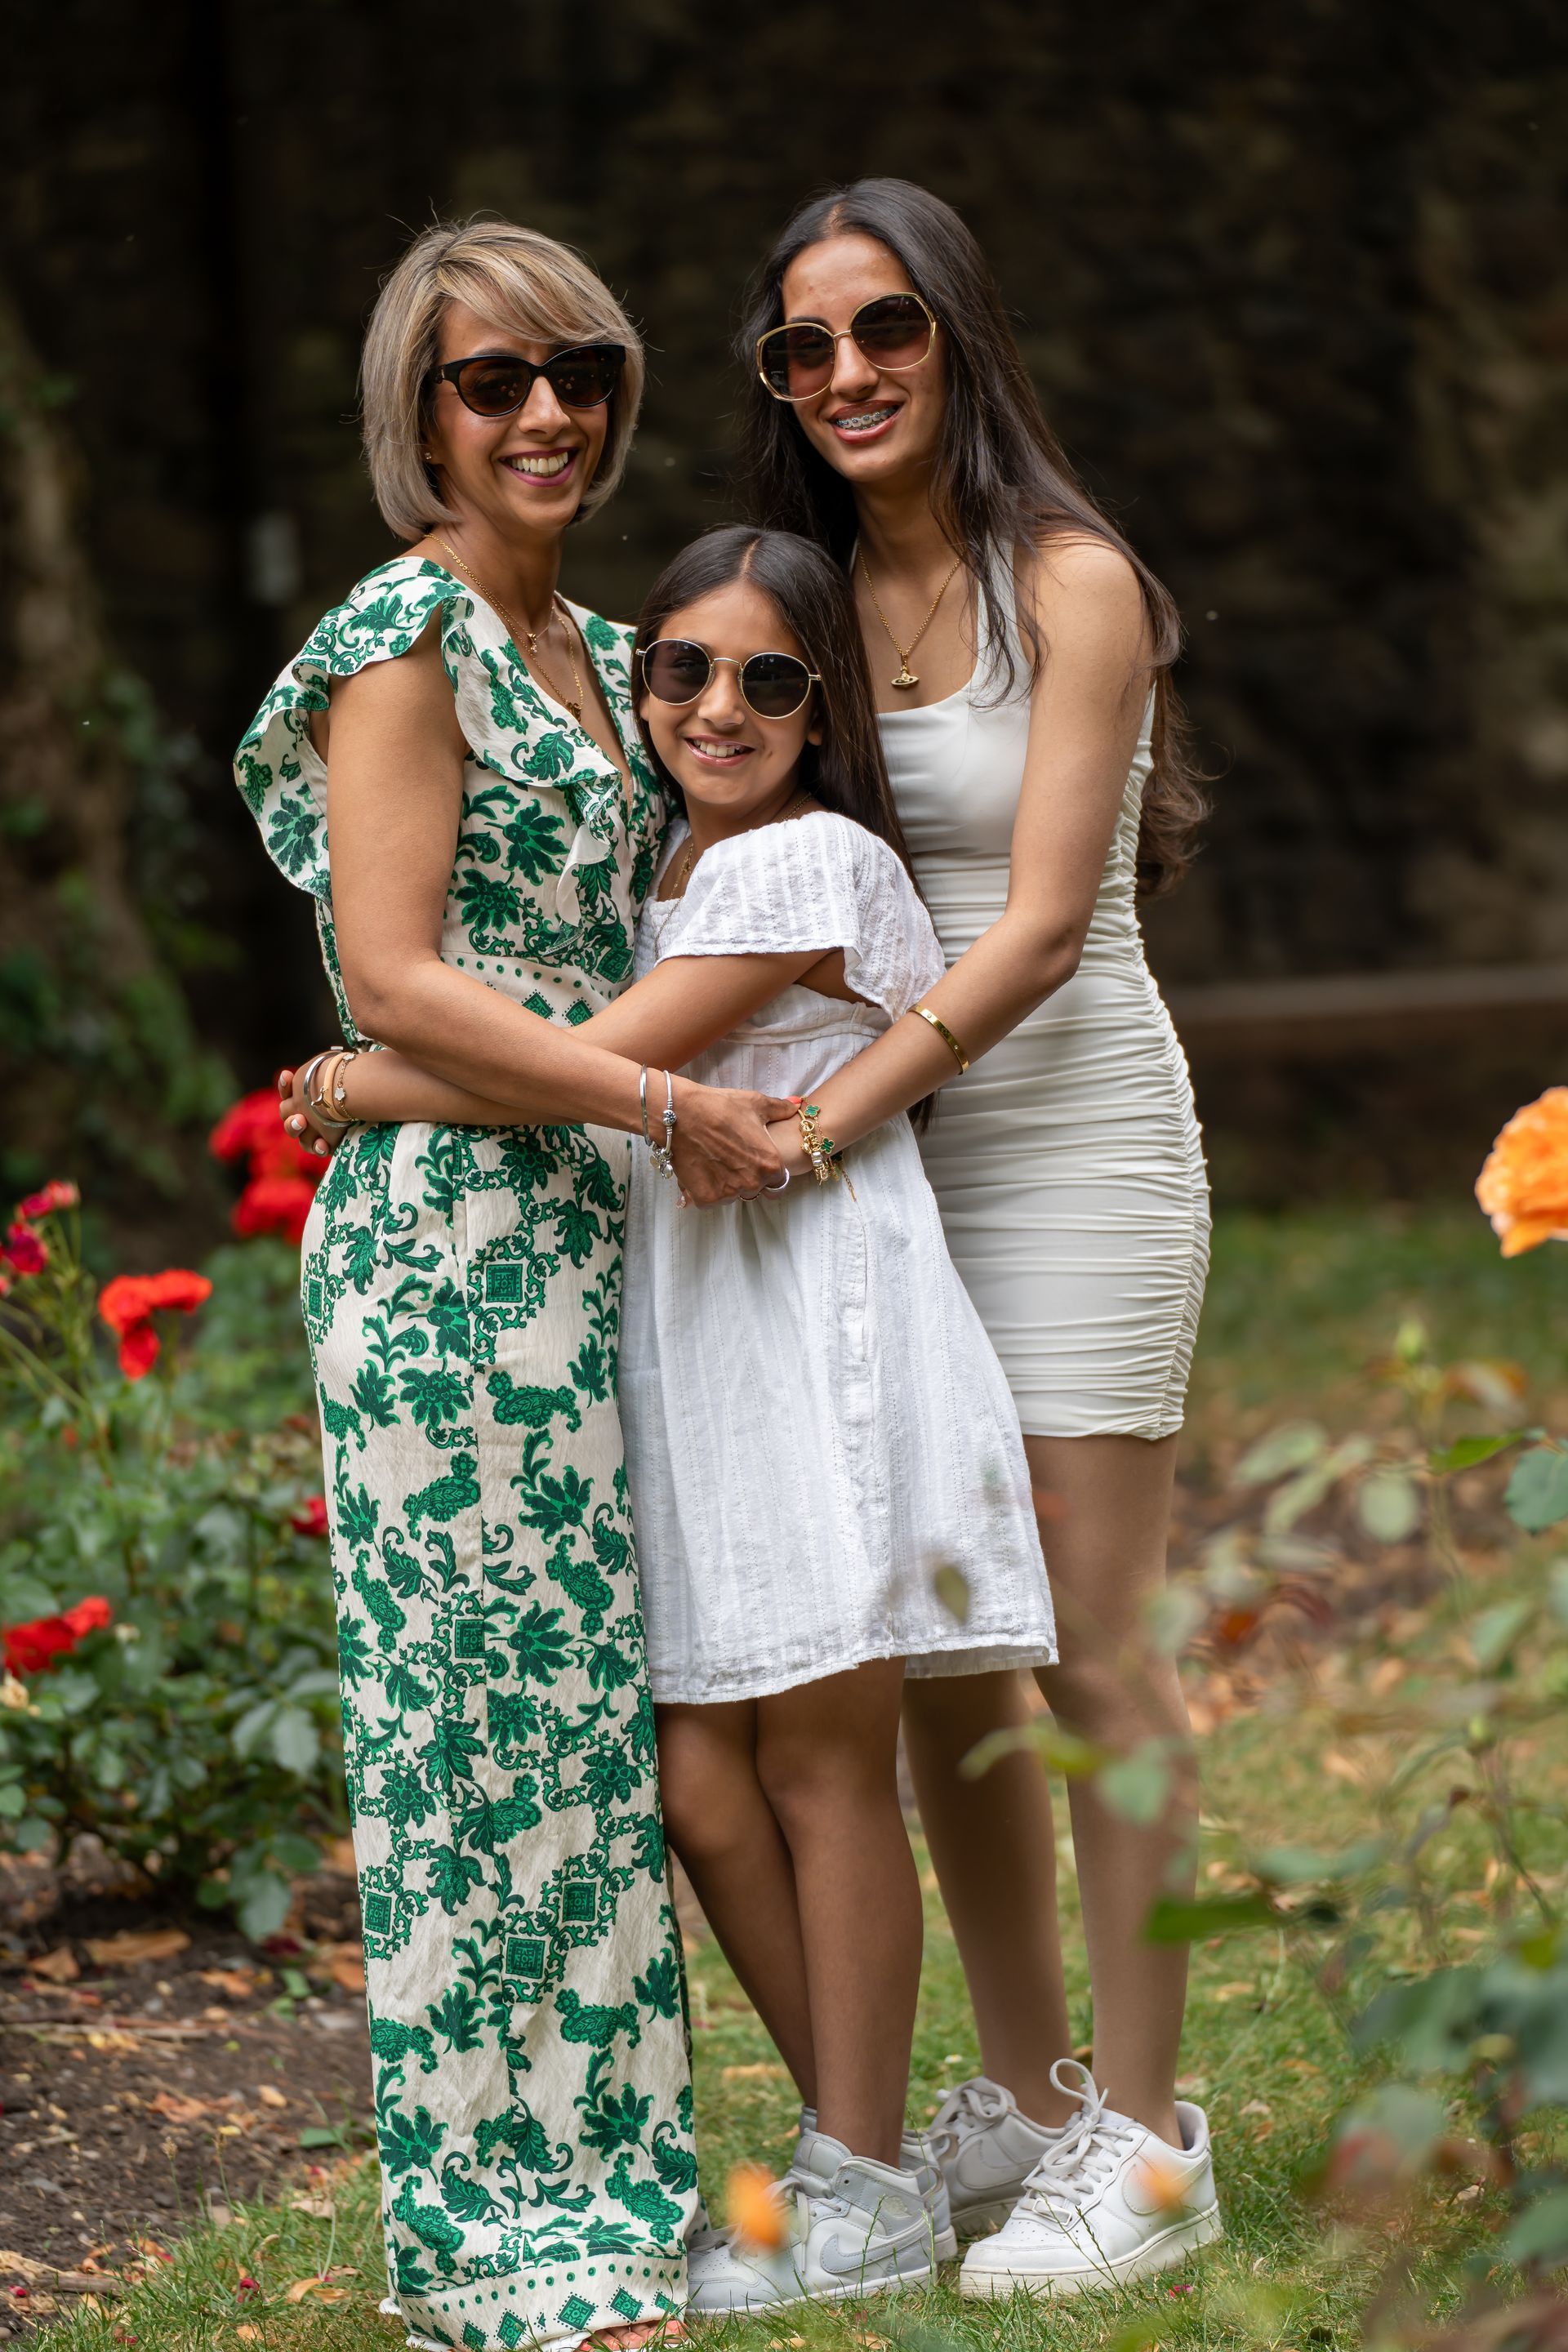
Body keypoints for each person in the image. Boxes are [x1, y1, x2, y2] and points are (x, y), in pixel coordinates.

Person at [286, 523, 1059, 2316]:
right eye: (684, 669)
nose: (717, 705)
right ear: (642, 691)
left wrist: (346, 1074)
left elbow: (597, 1059)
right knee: (702, 1781)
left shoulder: (810, 868)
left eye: (768, 679)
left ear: (818, 714)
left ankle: (858, 2173)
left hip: (813, 1337)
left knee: (812, 1764)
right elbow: (596, 1040)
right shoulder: (682, 875)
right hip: (697, 1345)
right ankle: (864, 2151)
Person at [236, 218, 795, 2352]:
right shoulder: (407, 639)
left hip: (594, 1220)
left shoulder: (610, 645)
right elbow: (393, 970)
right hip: (456, 1267)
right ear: (421, 416)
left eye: (575, 367)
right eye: (492, 382)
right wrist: (640, 1109)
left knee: (605, 1731)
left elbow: (597, 958)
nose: (545, 410)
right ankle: (518, 2252)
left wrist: (438, 1079)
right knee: (485, 1745)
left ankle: (634, 2204)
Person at [735, 178, 1221, 2296]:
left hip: (1076, 1147)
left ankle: (1153, 2140)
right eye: (805, 347)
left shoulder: (1076, 581)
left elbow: (1032, 932)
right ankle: (1027, 2107)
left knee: (1089, 1656)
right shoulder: (806, 602)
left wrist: (822, 1112)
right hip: (897, 1184)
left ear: (954, 337)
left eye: (883, 331)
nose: (847, 374)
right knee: (946, 1664)